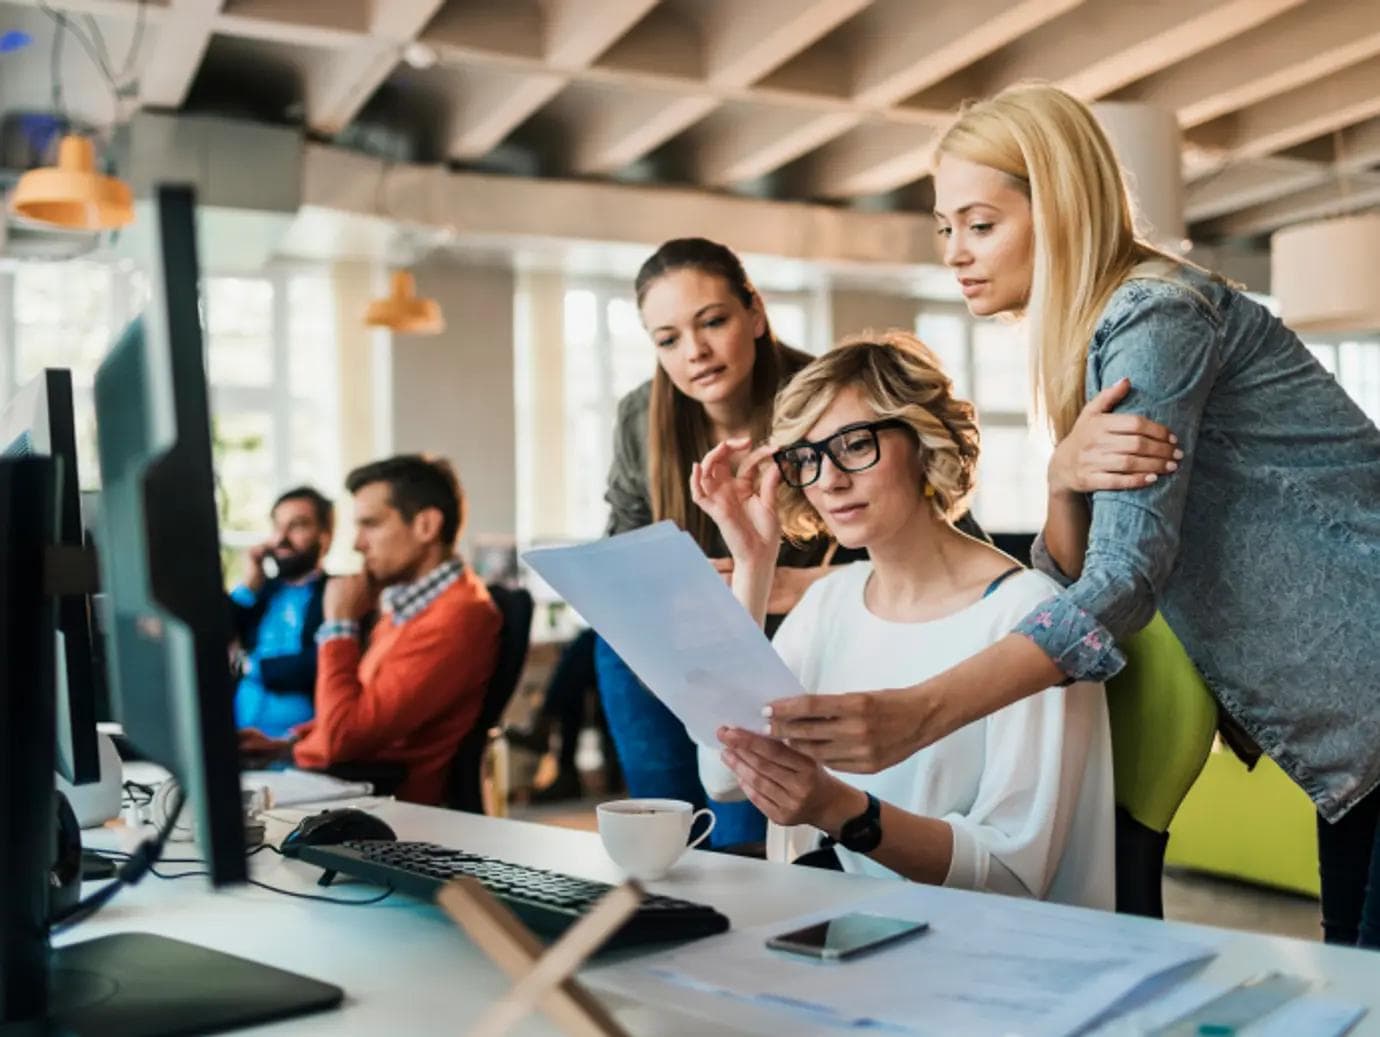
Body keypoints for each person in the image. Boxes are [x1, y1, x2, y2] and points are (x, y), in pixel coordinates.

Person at [758, 83, 1380, 947]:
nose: (956, 253)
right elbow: (1073, 588)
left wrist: (924, 710)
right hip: (1350, 736)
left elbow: (1121, 586)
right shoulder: (1097, 342)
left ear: (1058, 208)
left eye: (981, 224)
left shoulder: (1155, 318)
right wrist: (1059, 485)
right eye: (946, 230)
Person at [691, 331, 1114, 907]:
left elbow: (1014, 877)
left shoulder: (1031, 621)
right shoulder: (830, 602)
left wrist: (837, 809)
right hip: (824, 937)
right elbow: (723, 777)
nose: (830, 479)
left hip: (972, 962)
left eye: (856, 444)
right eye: (808, 458)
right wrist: (752, 566)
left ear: (924, 444)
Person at [598, 237, 871, 847]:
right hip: (663, 646)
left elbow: (922, 560)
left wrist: (792, 585)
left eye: (713, 322)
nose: (694, 352)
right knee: (662, 834)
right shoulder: (640, 416)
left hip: (780, 647)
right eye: (667, 339)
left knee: (747, 838)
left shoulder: (828, 399)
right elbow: (622, 555)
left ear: (755, 312)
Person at [239, 455, 502, 807]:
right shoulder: (411, 606)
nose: (358, 544)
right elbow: (360, 709)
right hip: (348, 785)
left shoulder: (457, 616)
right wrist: (287, 744)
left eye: (371, 525)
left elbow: (344, 738)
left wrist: (339, 625)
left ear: (426, 525)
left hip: (388, 811)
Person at [228, 486, 333, 739]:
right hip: (236, 741)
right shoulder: (259, 593)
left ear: (324, 536)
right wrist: (249, 585)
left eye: (297, 526)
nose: (280, 539)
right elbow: (212, 636)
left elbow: (321, 662)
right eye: (277, 526)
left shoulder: (336, 593)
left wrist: (250, 667)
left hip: (299, 748)